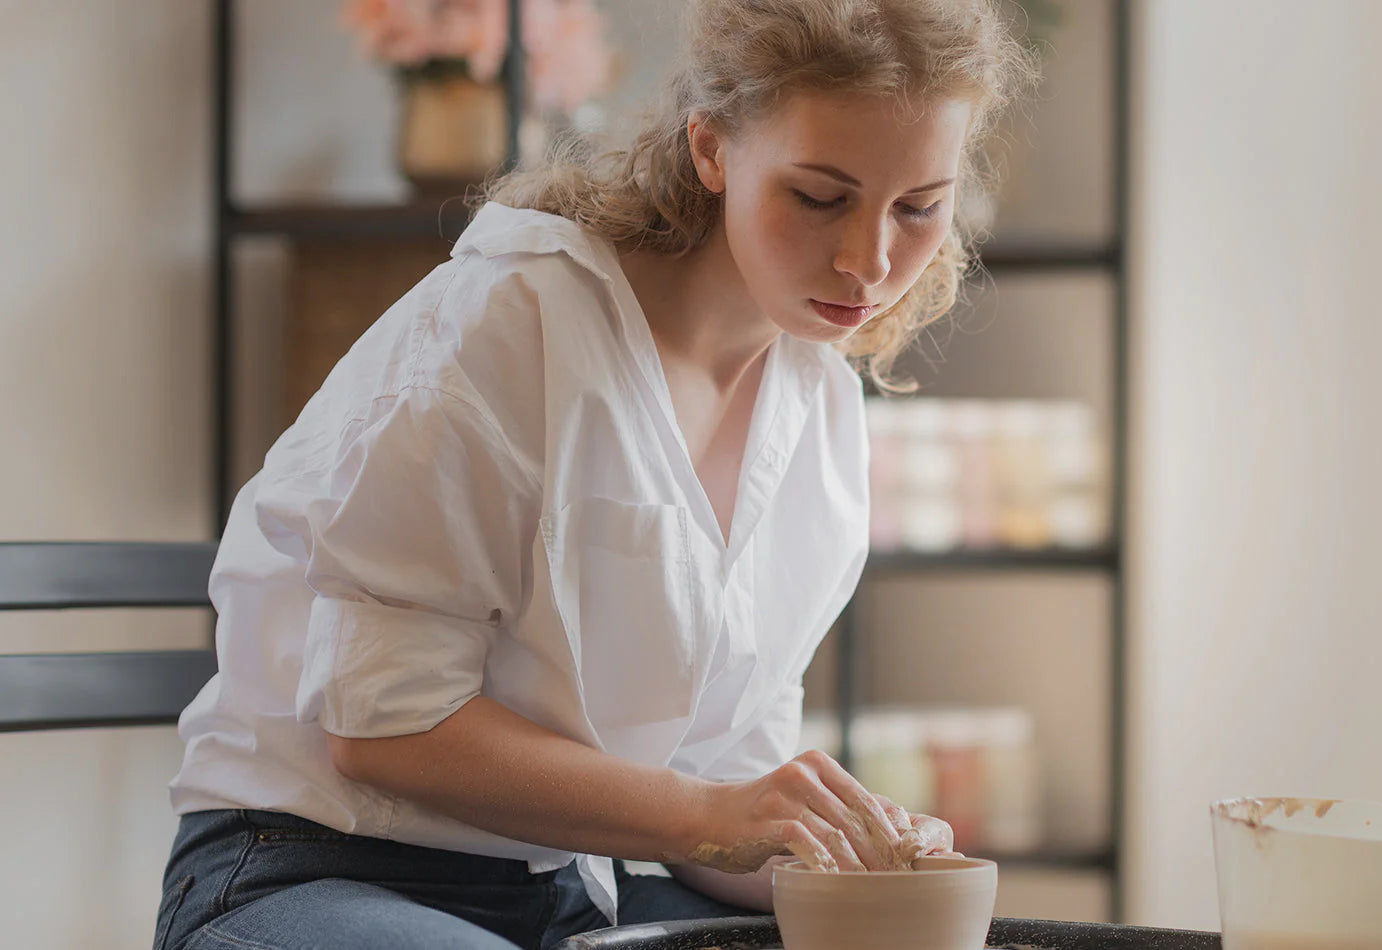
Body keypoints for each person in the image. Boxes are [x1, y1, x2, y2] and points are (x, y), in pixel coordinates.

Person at [153, 1, 1039, 947]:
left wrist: (845, 852)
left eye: (918, 208)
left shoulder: (815, 402)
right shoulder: (518, 316)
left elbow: (717, 781)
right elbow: (381, 725)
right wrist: (711, 814)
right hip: (314, 868)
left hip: (574, 892)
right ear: (712, 150)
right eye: (820, 196)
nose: (869, 261)